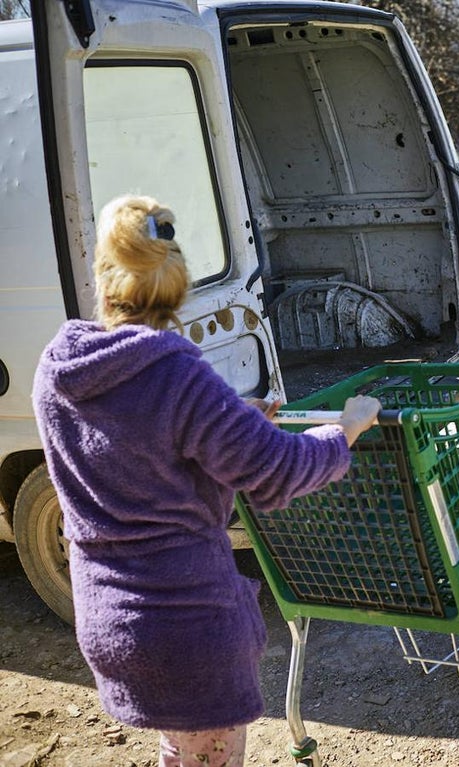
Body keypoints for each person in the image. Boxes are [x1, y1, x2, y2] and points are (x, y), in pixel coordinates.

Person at [31, 195, 381, 767]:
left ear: (103, 277)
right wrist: (345, 429)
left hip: (109, 618)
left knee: (181, 751)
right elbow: (278, 473)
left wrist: (238, 423)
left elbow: (138, 455)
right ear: (178, 284)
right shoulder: (176, 370)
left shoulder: (57, 368)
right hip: (185, 625)